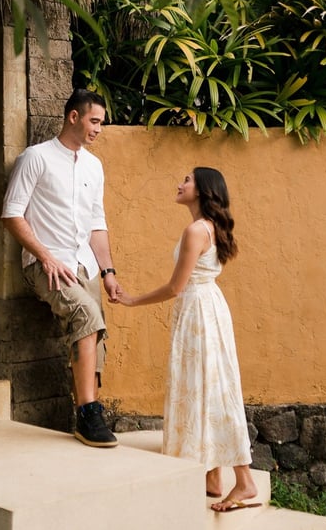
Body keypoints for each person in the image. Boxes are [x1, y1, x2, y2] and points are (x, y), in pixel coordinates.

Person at [111, 167, 260, 510]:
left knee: (208, 386)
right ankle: (213, 476)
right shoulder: (210, 228)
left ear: (203, 190)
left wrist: (132, 300)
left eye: (187, 180)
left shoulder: (196, 231)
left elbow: (175, 287)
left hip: (198, 312)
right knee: (212, 384)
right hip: (208, 308)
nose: (180, 184)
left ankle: (244, 481)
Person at [1, 89, 119, 448]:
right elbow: (12, 214)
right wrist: (46, 256)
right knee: (86, 316)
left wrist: (108, 272)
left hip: (84, 264)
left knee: (96, 334)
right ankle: (88, 413)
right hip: (46, 265)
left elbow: (96, 224)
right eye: (94, 121)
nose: (98, 129)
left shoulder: (94, 166)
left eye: (101, 123)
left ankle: (87, 414)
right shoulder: (35, 158)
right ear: (73, 117)